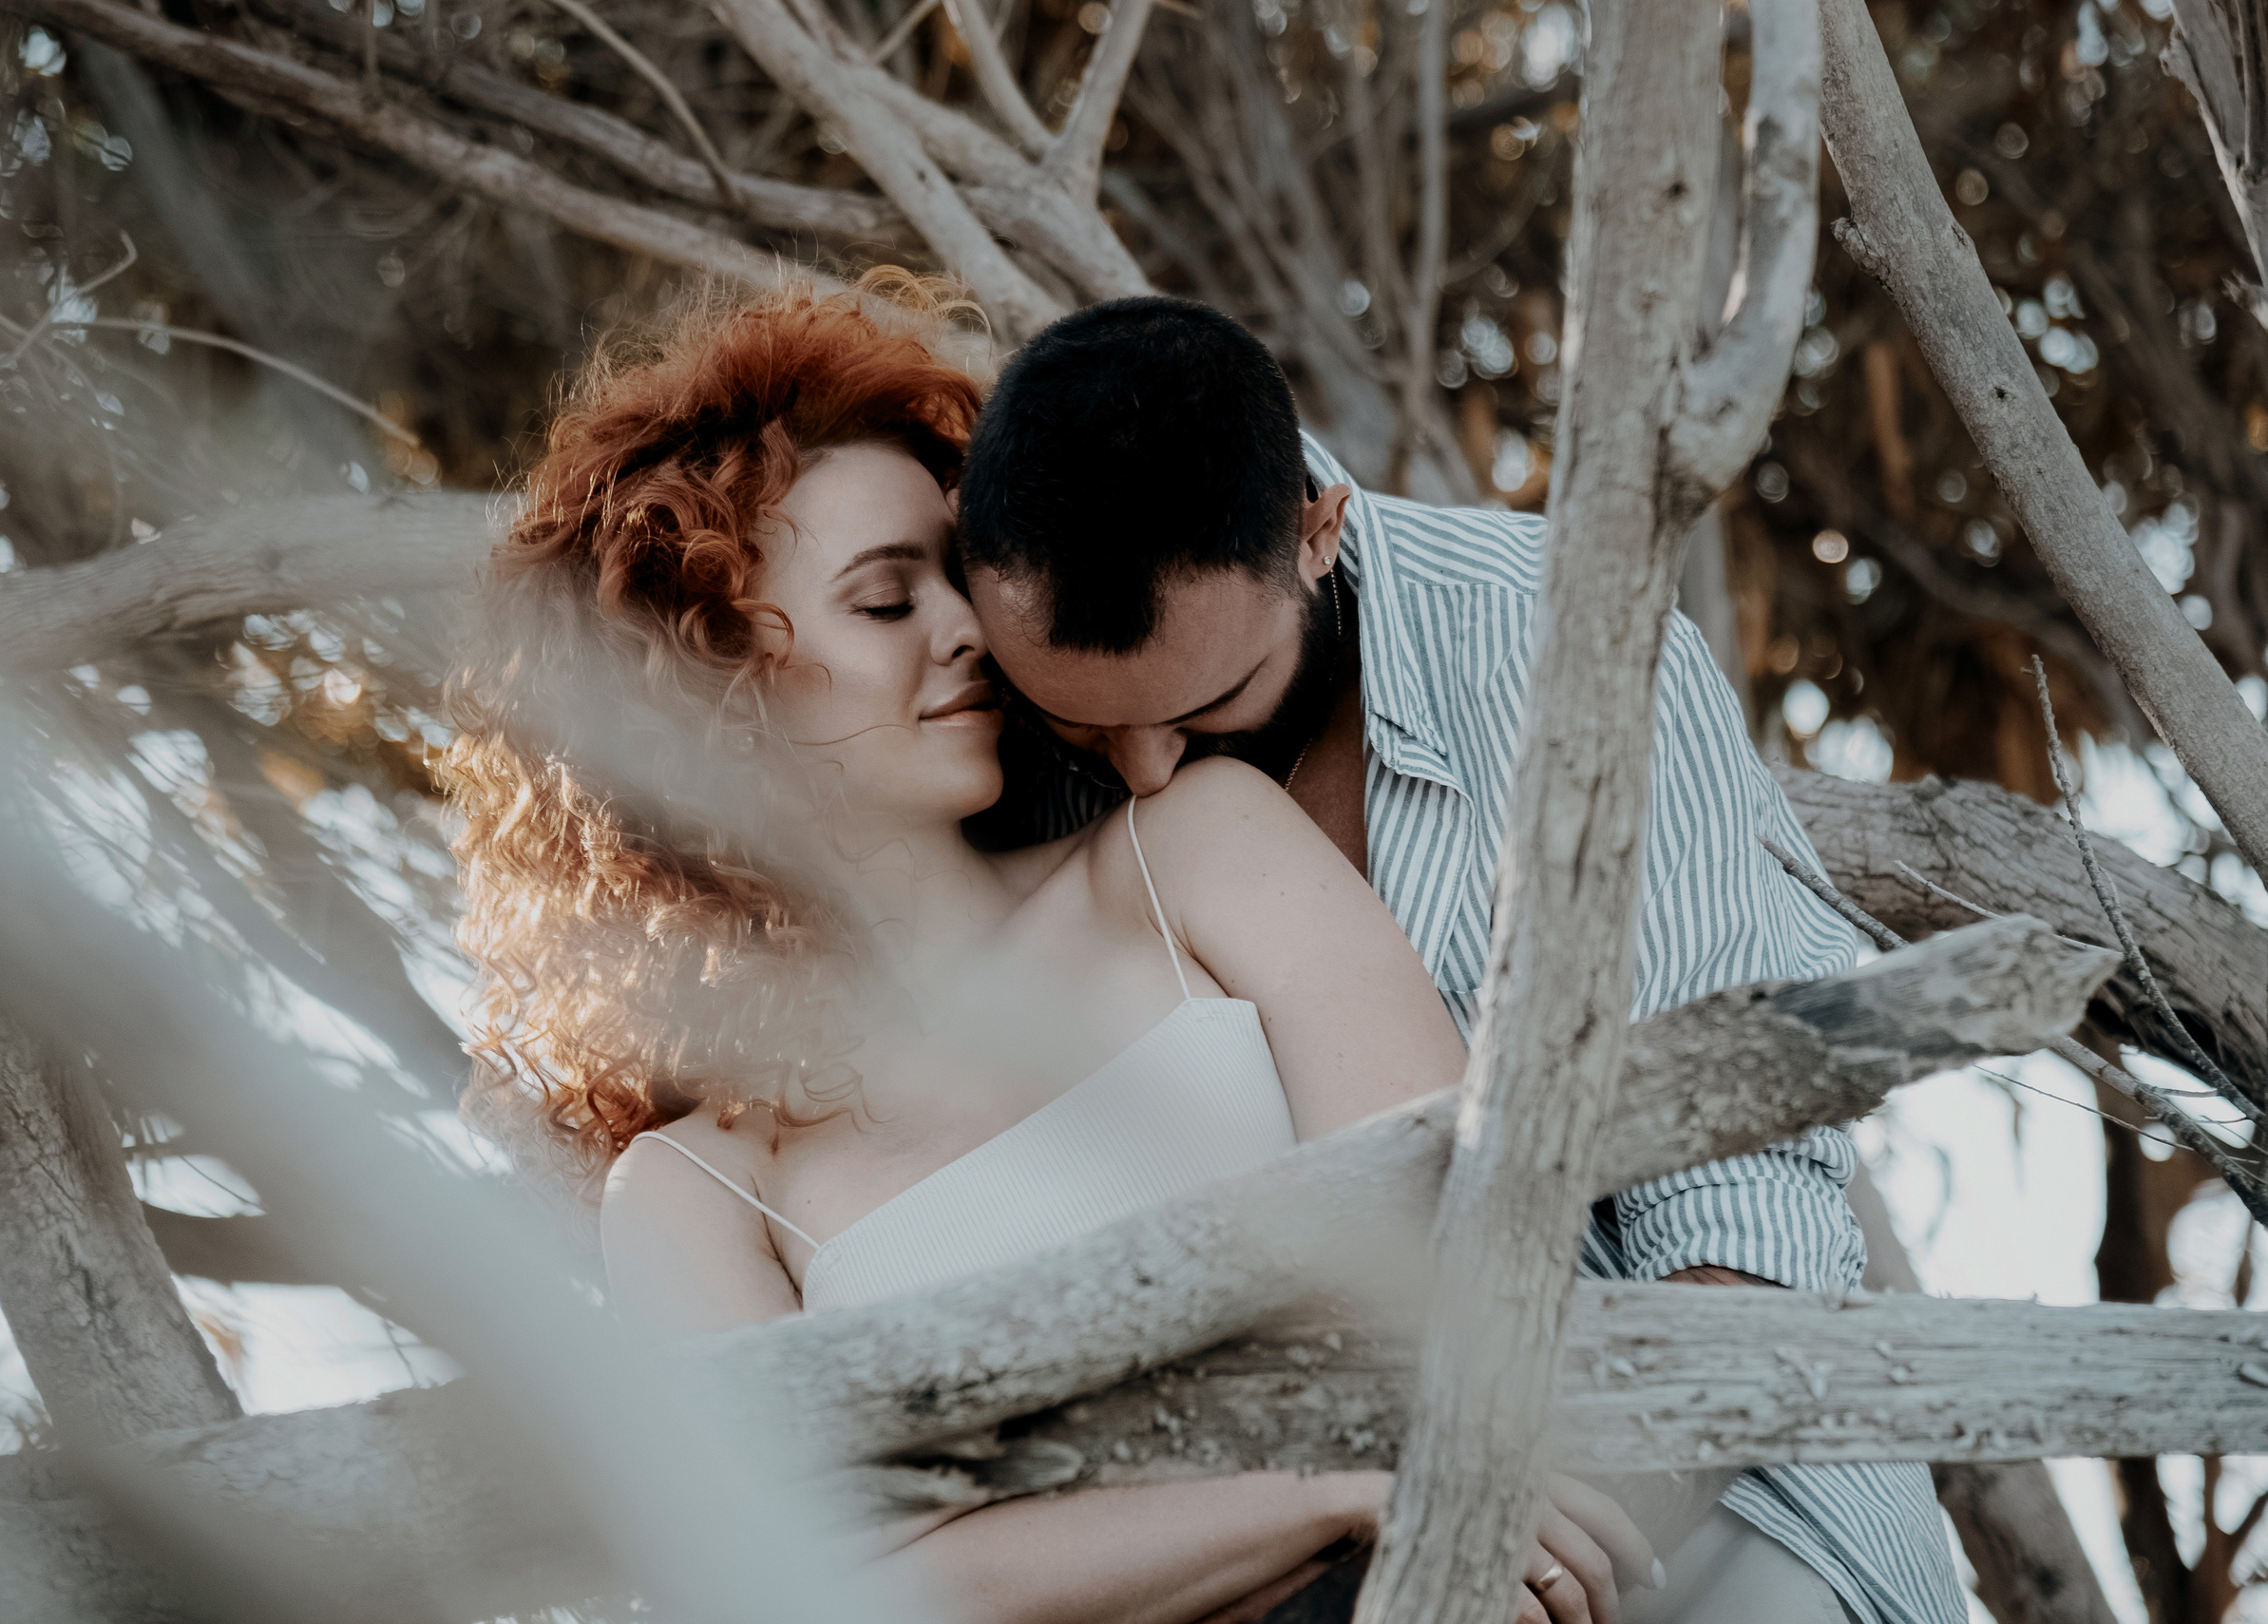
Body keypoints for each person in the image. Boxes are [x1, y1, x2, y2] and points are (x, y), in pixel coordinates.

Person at [443, 277, 1654, 1624]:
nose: (967, 629)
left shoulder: (1193, 847)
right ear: (713, 698)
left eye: (955, 579)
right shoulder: (690, 1190)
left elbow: (1469, 1239)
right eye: (886, 604)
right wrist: (1331, 1490)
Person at [953, 296, 1967, 1624]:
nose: (1144, 774)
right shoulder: (990, 727)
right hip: (1274, 1550)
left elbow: (1743, 1209)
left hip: (1698, 1506)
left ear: (1319, 528)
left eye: (1205, 711)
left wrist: (1489, 1553)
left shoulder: (1562, 643)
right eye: (1081, 731)